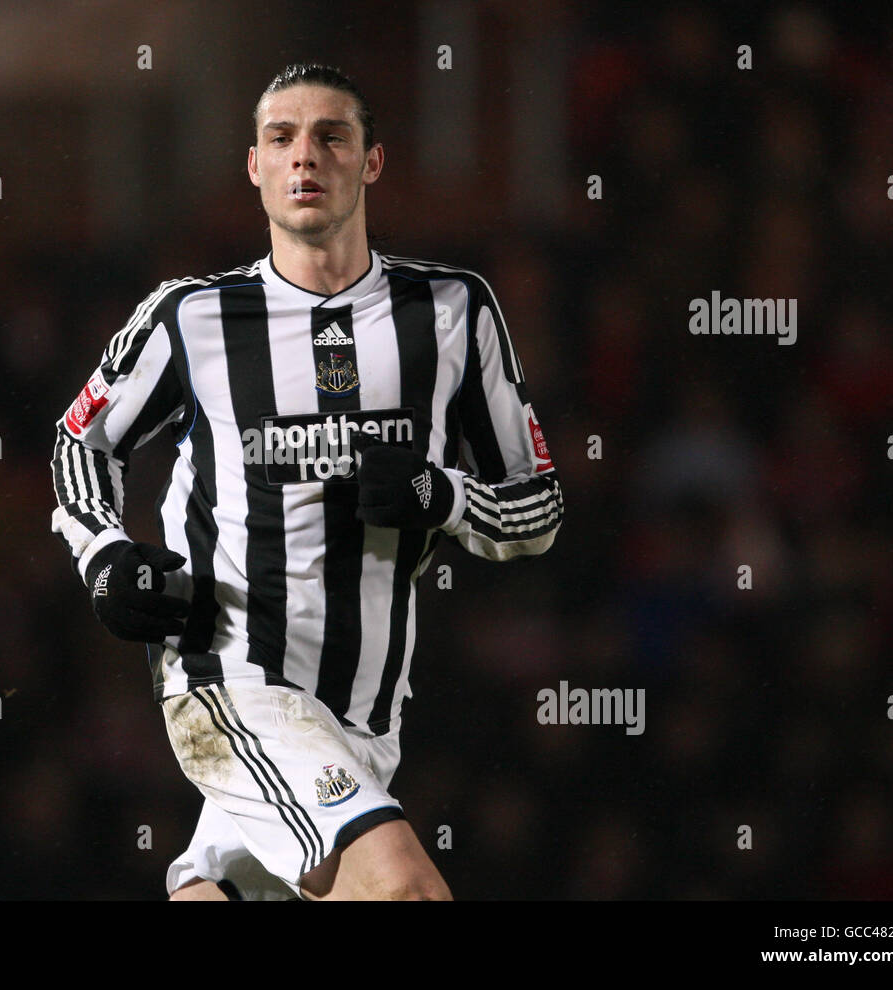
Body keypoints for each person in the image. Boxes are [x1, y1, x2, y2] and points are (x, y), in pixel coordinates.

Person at [50, 63, 563, 900]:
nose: (305, 157)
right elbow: (82, 440)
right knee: (406, 891)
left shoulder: (453, 311)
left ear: (372, 163)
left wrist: (445, 497)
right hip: (231, 677)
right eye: (281, 138)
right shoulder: (191, 316)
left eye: (331, 137)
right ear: (253, 167)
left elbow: (538, 507)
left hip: (366, 717)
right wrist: (105, 555)